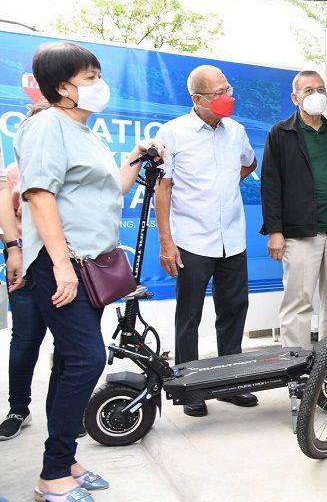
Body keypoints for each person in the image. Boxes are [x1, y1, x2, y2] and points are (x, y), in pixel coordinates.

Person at [16, 41, 163, 501]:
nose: (100, 85)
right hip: (65, 265)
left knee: (70, 360)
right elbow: (39, 195)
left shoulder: (85, 130)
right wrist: (61, 265)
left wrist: (135, 160)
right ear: (62, 87)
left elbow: (107, 192)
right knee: (87, 359)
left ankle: (64, 459)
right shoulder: (47, 127)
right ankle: (51, 476)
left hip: (90, 265)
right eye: (90, 78)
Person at [154, 65, 258, 418]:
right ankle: (191, 388)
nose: (227, 98)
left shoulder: (237, 131)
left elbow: (249, 164)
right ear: (197, 99)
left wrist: (225, 184)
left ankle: (231, 384)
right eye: (218, 93)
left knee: (233, 311)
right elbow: (163, 188)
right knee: (189, 316)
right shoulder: (173, 133)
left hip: (232, 236)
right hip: (192, 239)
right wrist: (167, 242)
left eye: (228, 89)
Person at [260, 70, 327, 349]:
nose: (317, 95)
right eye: (309, 90)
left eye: (321, 89)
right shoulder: (281, 132)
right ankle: (296, 372)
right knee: (297, 303)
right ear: (295, 97)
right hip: (300, 232)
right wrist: (275, 231)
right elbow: (270, 184)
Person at [0, 158, 30, 442]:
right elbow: (6, 210)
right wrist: (13, 251)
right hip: (25, 265)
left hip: (67, 263)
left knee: (68, 344)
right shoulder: (13, 171)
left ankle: (66, 408)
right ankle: (18, 408)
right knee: (24, 341)